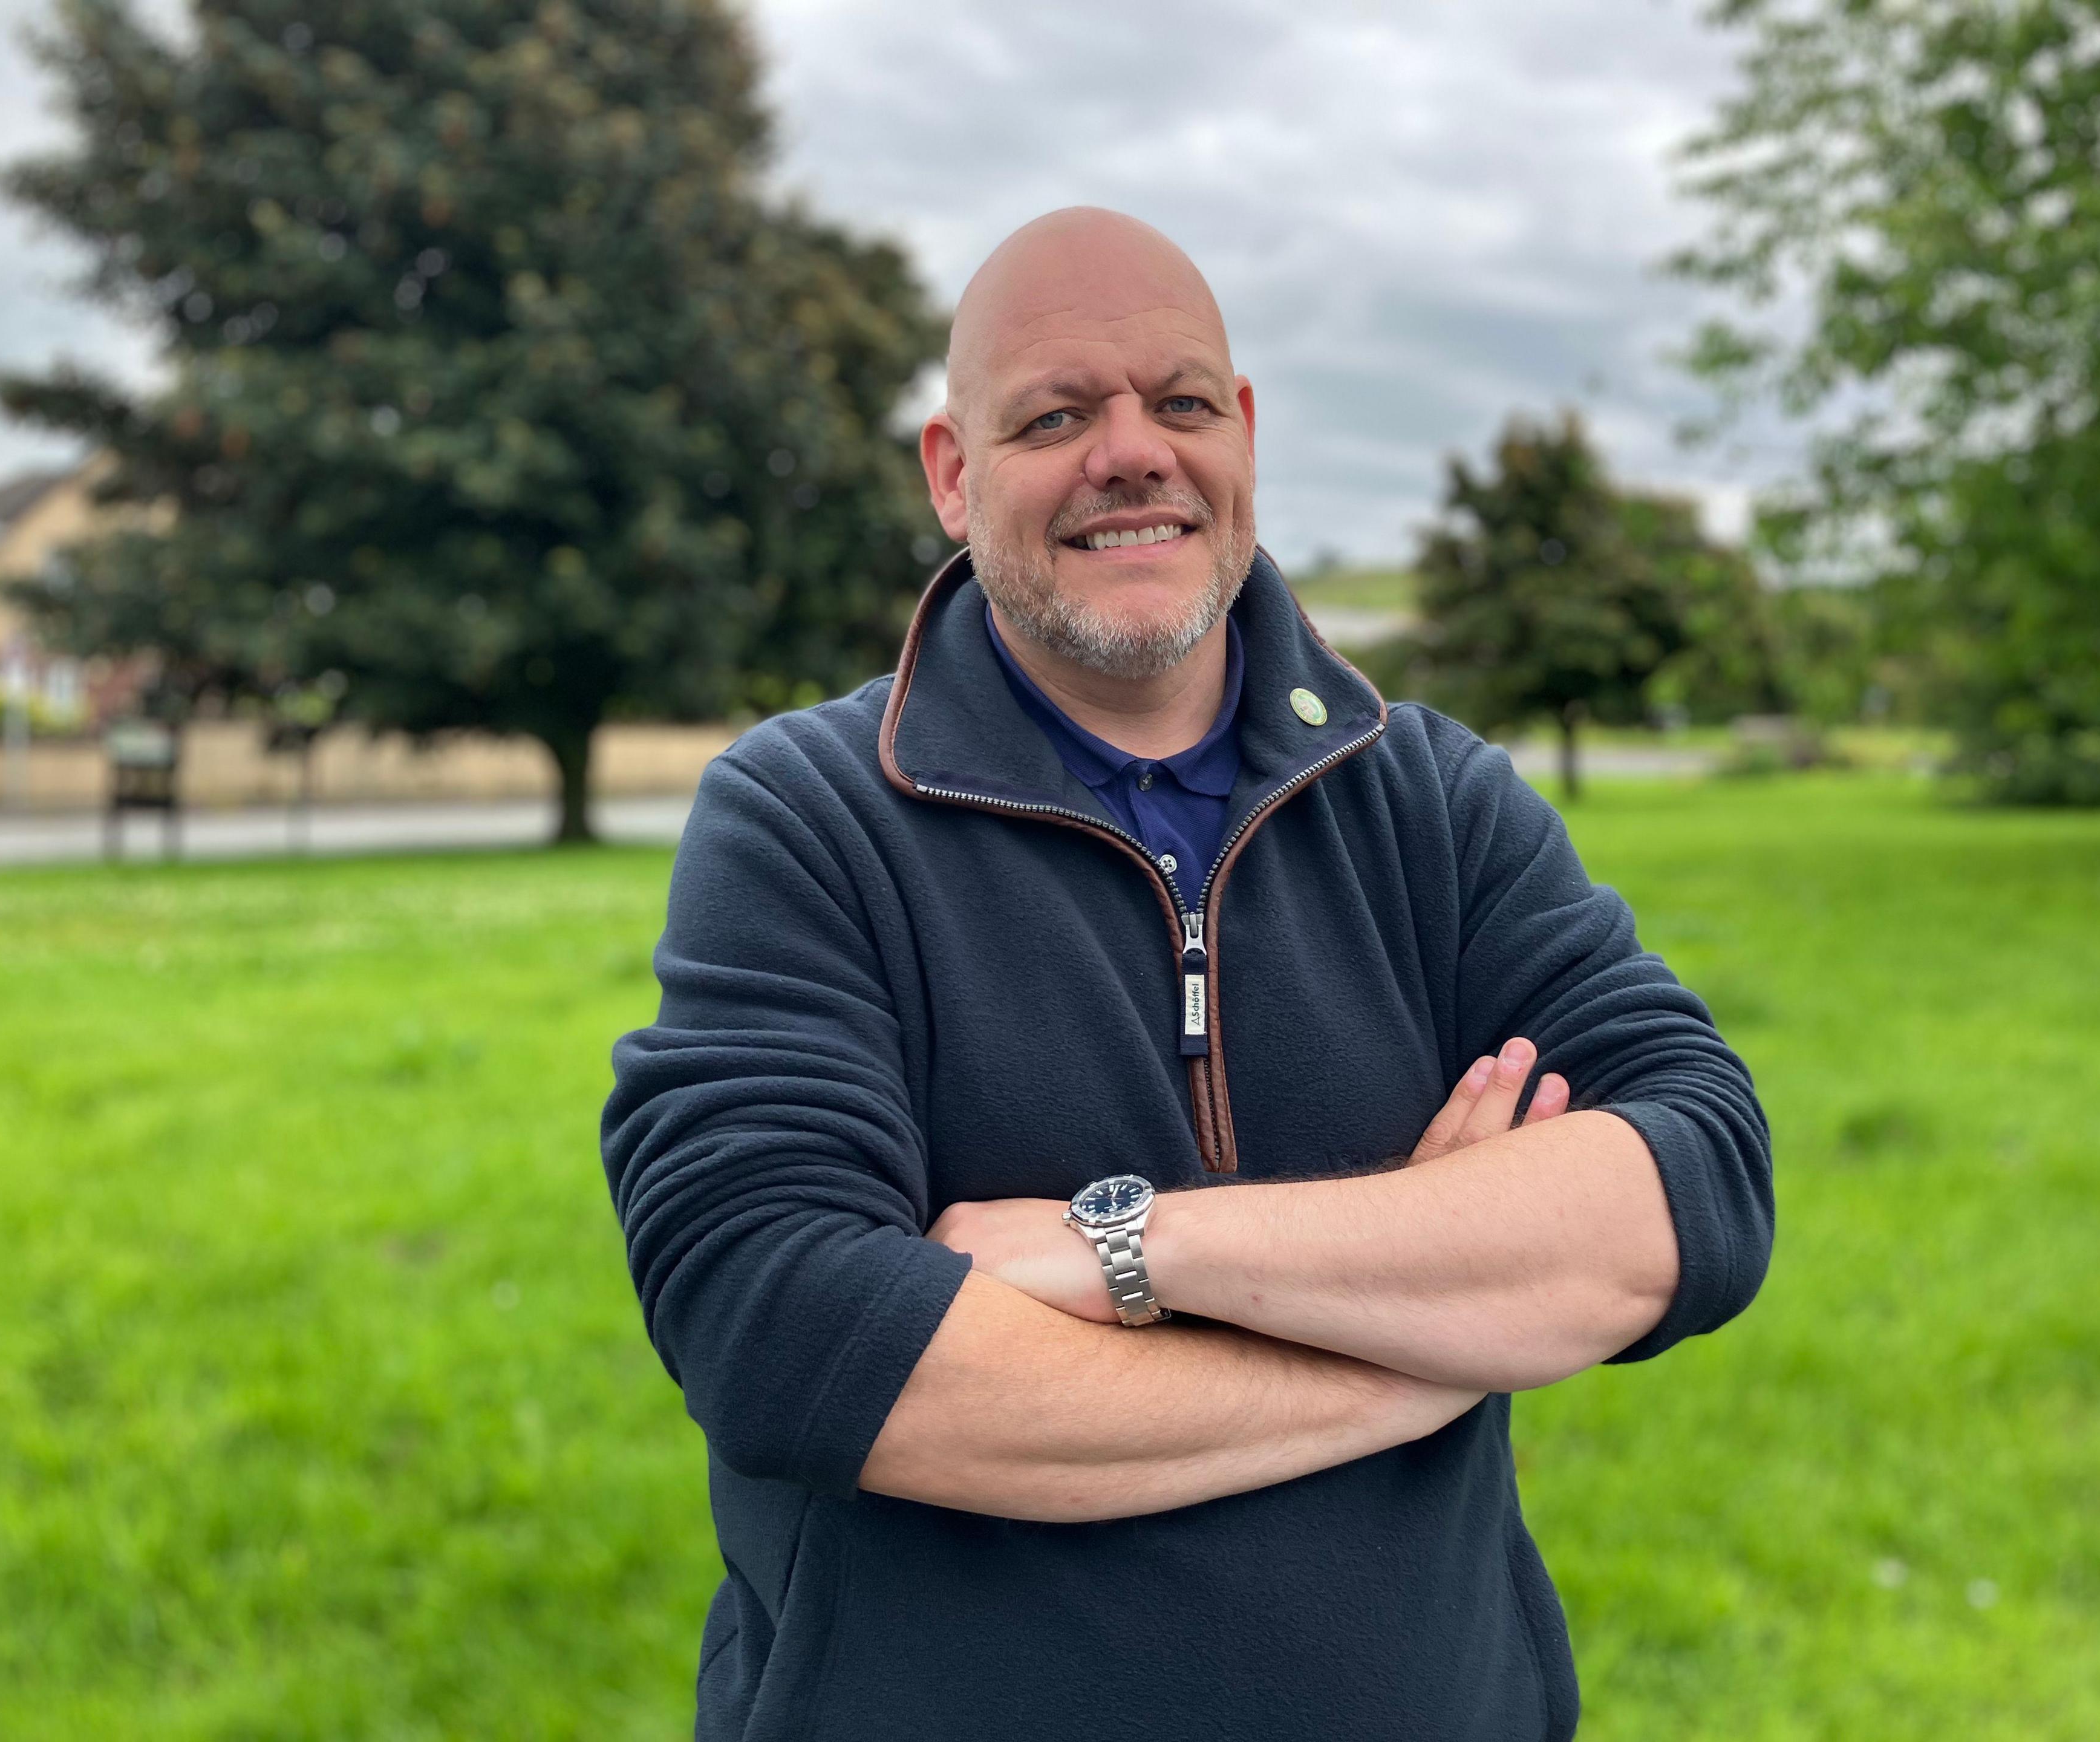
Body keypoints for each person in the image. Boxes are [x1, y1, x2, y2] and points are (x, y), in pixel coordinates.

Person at [601, 206, 1772, 1742]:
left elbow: (1692, 1194)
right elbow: (788, 1331)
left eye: (1182, 401)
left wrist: (1121, 1250)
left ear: (1247, 438)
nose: (1132, 453)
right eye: (1056, 416)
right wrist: (1421, 1352)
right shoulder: (806, 817)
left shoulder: (1430, 798)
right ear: (954, 476)